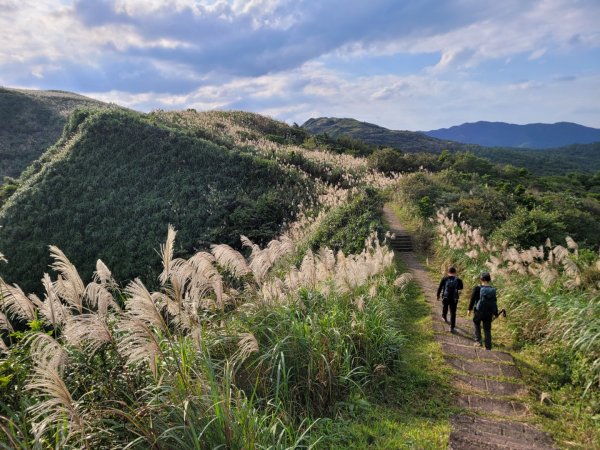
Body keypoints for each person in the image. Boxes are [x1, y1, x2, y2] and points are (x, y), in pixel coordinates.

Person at [468, 272, 498, 350]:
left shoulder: (477, 288)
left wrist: (469, 309)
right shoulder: (492, 290)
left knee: (477, 323)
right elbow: (494, 302)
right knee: (487, 329)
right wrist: (496, 313)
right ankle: (488, 346)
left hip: (479, 311)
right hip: (489, 312)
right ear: (489, 279)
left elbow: (472, 299)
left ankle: (478, 341)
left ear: (481, 279)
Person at [436, 267, 463, 333]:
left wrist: (438, 295)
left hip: (446, 297)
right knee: (453, 313)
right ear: (455, 273)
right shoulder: (458, 280)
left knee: (445, 307)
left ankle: (444, 317)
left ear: (448, 272)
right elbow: (461, 288)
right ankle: (452, 327)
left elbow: (440, 287)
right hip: (454, 298)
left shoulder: (445, 278)